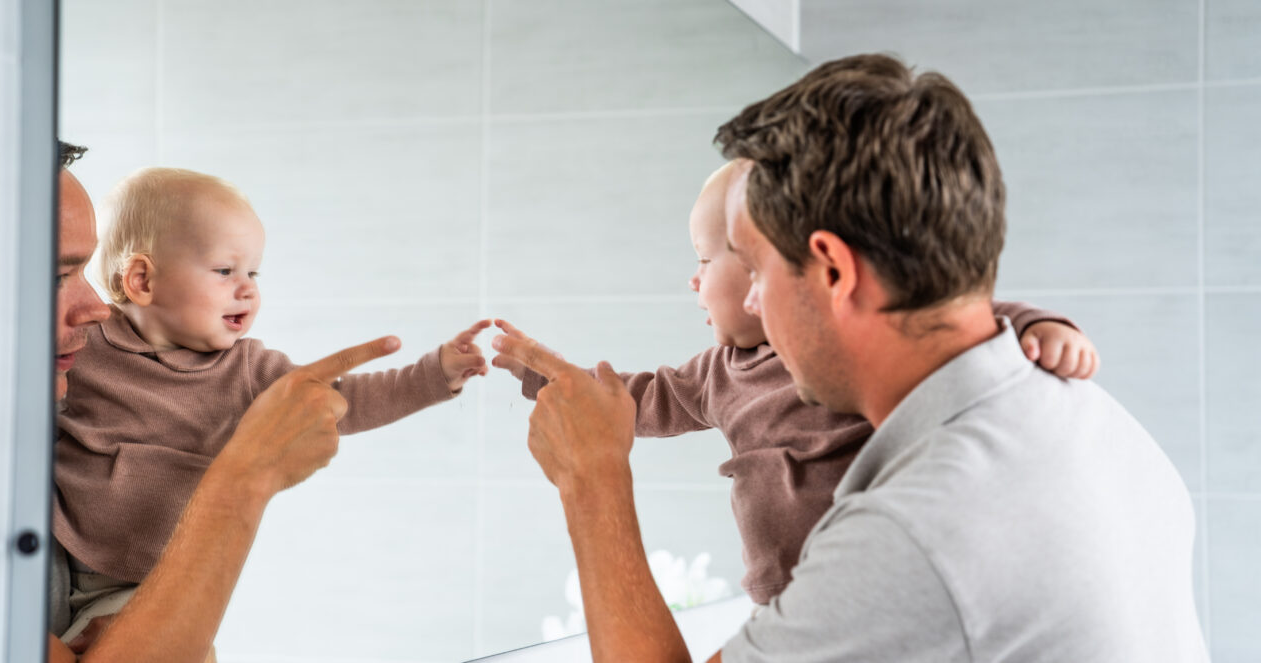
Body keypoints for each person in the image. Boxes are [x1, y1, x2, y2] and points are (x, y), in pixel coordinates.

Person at [491, 54, 1208, 662]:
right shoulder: (1090, 418)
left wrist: (593, 481)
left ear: (833, 270)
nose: (752, 306)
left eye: (755, 270)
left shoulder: (915, 531)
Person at [492, 160, 1099, 606]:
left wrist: (1040, 325)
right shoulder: (716, 372)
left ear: (764, 268)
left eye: (704, 261)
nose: (693, 281)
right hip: (775, 593)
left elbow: (961, 318)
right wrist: (549, 377)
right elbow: (632, 400)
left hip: (859, 579)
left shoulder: (840, 348)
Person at [51, 166, 490, 643]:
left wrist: (431, 376)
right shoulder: (84, 343)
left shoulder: (251, 371)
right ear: (141, 279)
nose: (248, 289)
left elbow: (345, 402)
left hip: (148, 580)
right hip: (60, 548)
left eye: (252, 273)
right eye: (224, 271)